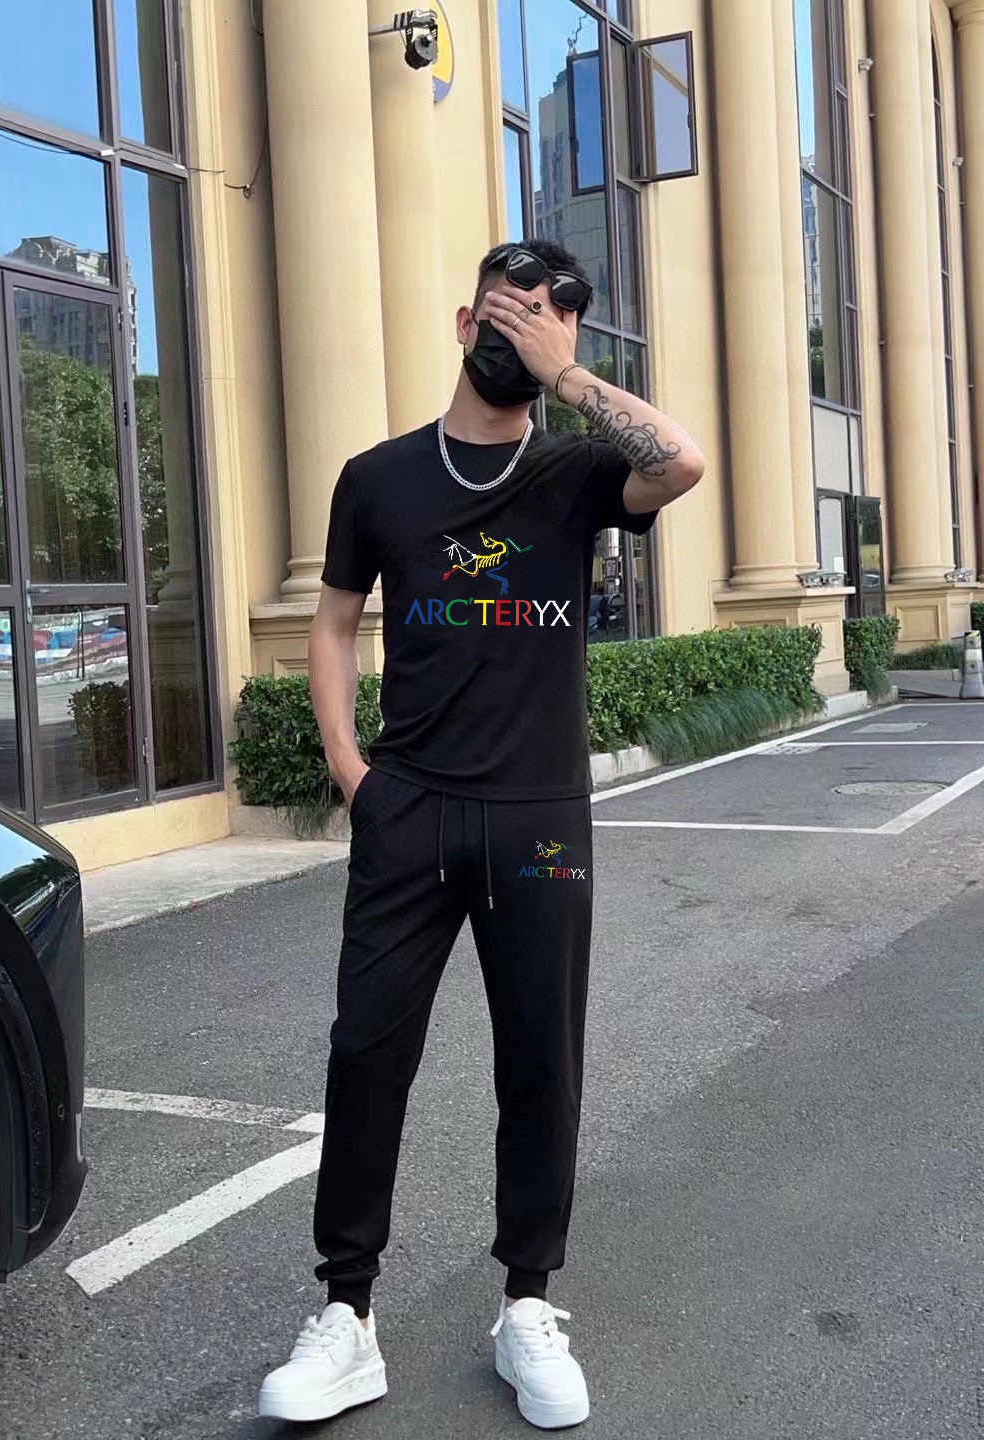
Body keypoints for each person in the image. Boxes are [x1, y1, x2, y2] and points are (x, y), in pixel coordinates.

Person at [257, 239, 705, 1430]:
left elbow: (682, 460)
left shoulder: (577, 473)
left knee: (541, 1061)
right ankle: (346, 1316)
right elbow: (334, 622)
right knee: (365, 1055)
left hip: (540, 818)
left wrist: (569, 377)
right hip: (408, 810)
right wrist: (351, 770)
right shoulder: (379, 478)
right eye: (513, 309)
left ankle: (527, 1305)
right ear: (466, 323)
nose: (533, 325)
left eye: (558, 312)